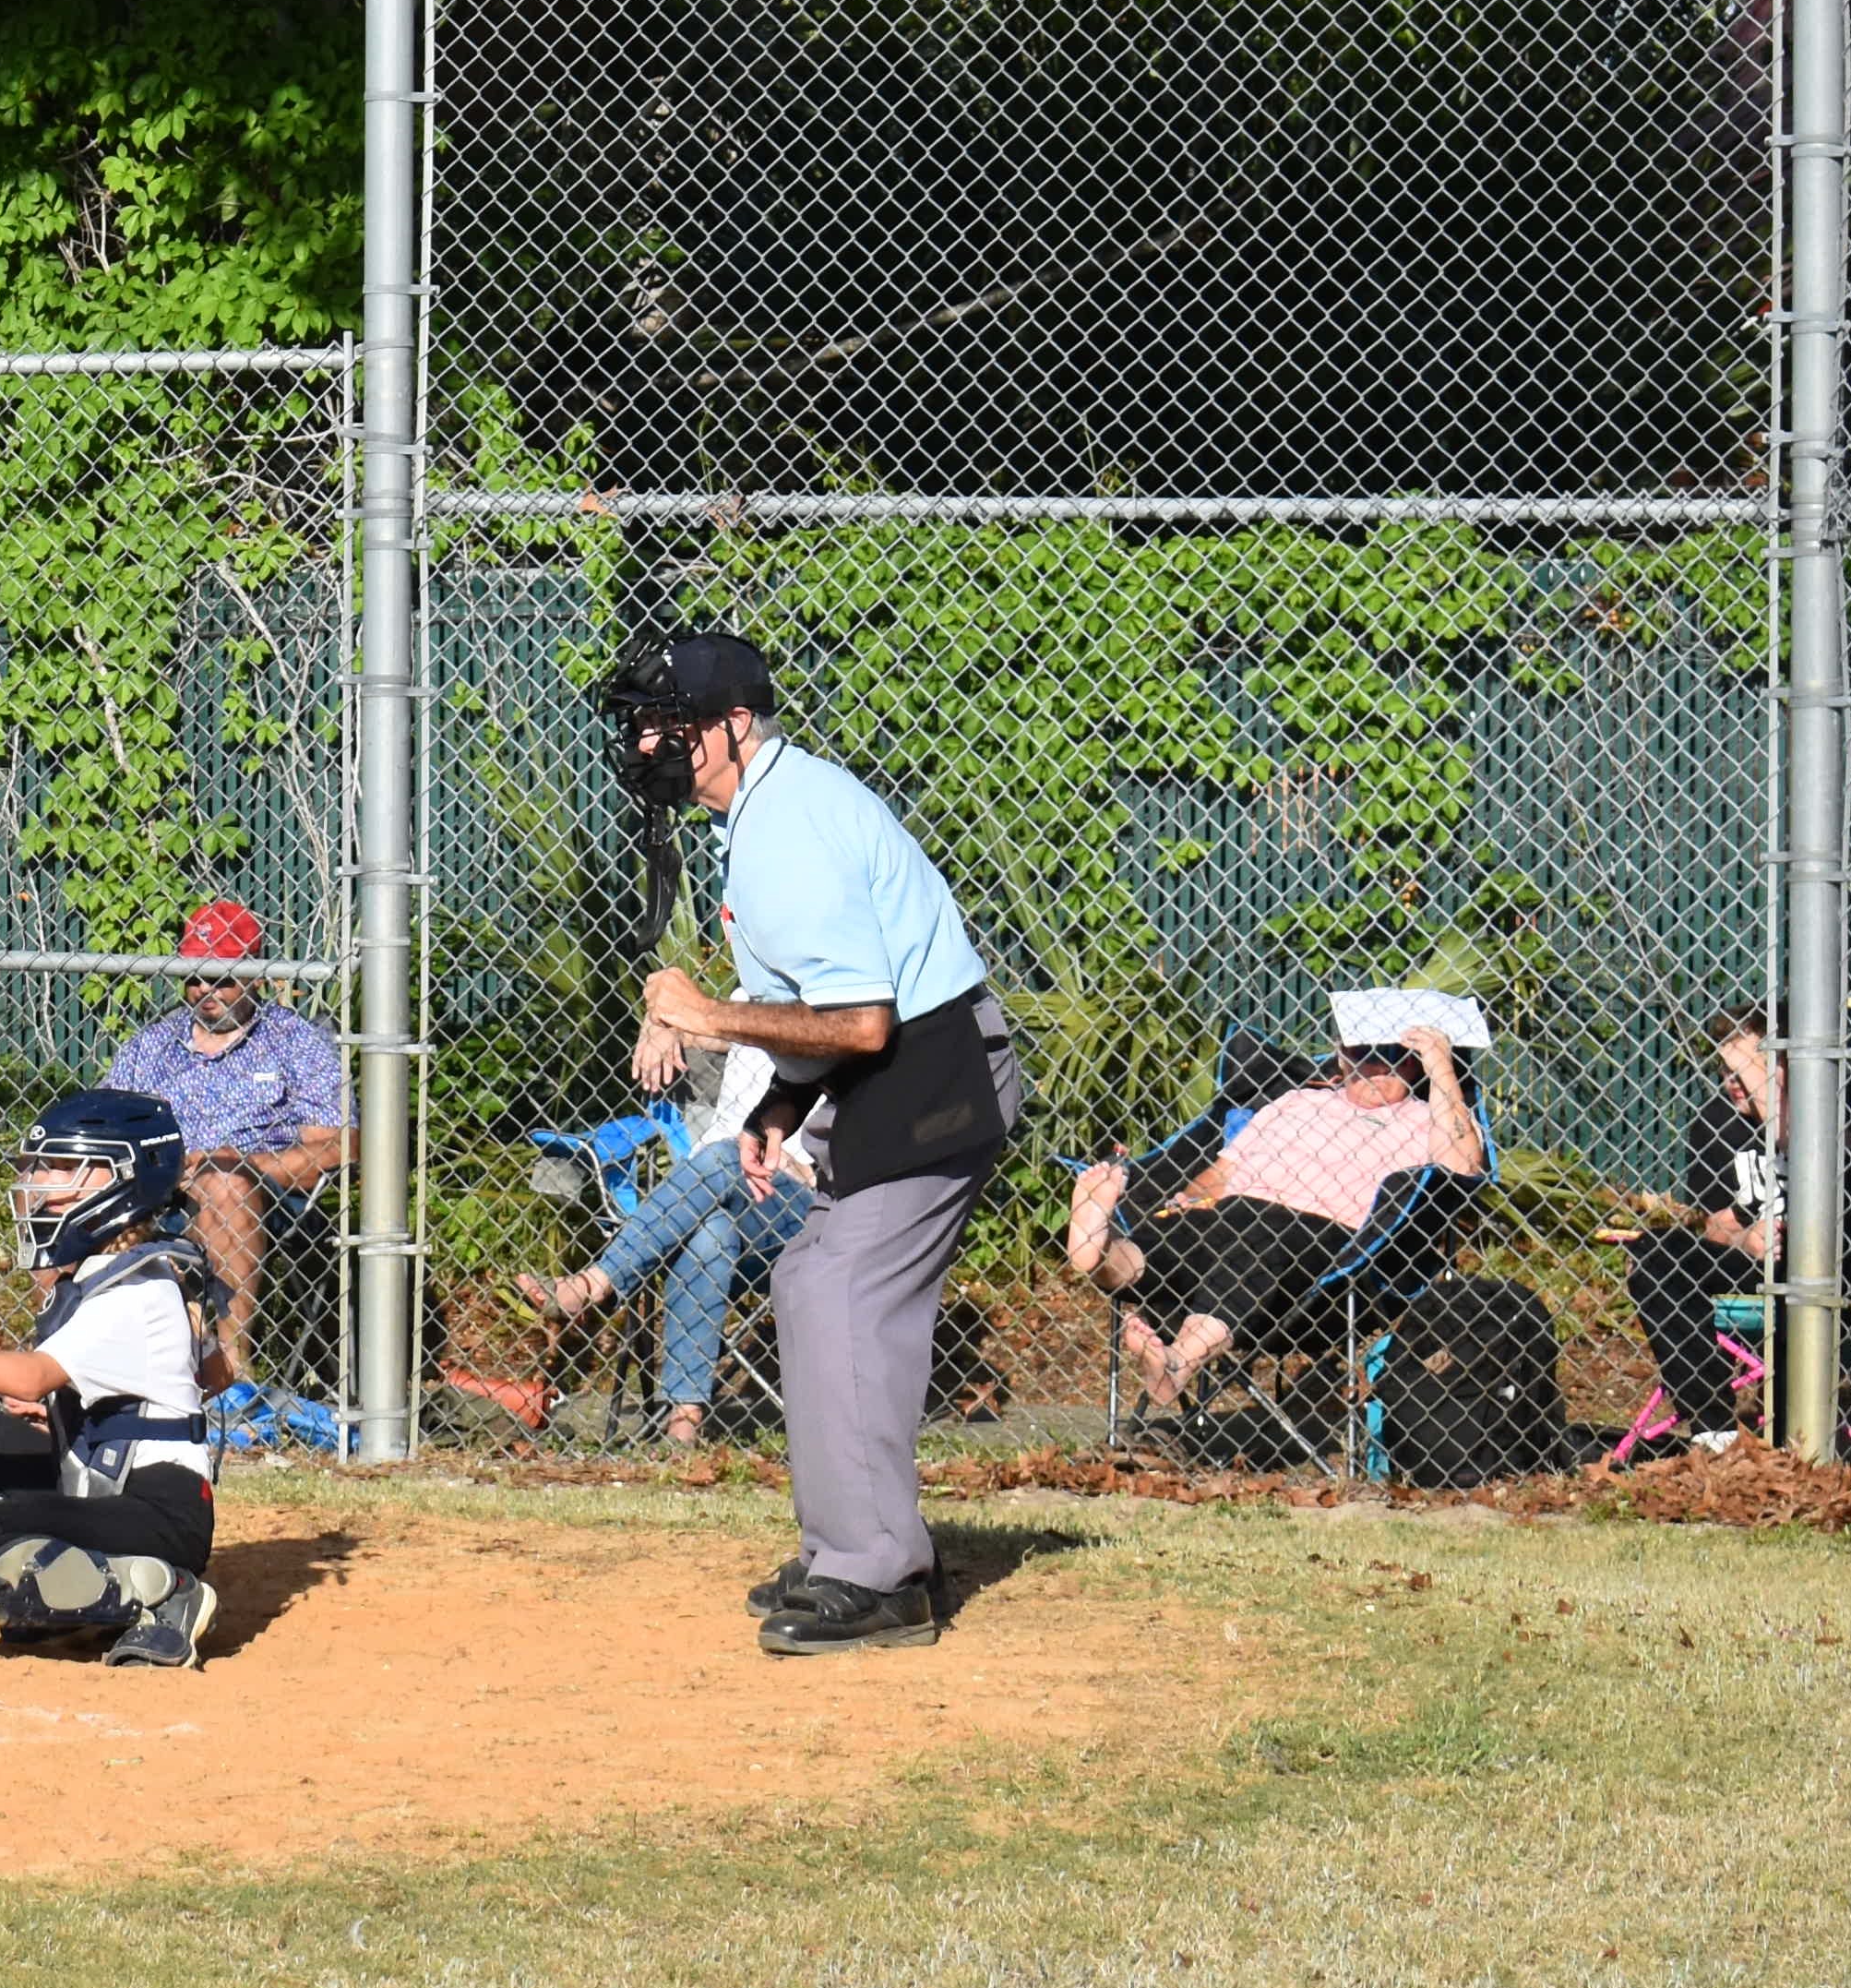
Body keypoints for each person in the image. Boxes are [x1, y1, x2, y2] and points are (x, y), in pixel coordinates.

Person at [606, 629, 1020, 1656]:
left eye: (674, 723)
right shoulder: (764, 813)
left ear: (736, 727)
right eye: (644, 722)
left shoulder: (786, 826)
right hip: (902, 1068)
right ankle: (857, 1543)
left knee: (841, 1292)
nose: (651, 740)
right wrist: (778, 1110)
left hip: (933, 1071)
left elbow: (865, 1019)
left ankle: (878, 1572)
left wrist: (707, 1015)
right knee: (811, 1282)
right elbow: (821, 1008)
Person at [0, 1085, 227, 1670]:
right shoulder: (124, 1271)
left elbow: (29, 1378)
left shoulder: (135, 1289)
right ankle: (57, 1587)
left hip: (159, 1510)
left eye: (64, 1169)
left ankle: (164, 1594)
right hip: (104, 1482)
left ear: (123, 1183)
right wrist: (83, 1409)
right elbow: (216, 1374)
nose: (40, 1183)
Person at [1061, 1025, 1487, 1418]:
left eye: (1392, 1054)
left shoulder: (1427, 1117)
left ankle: (1179, 1359)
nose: (1374, 1064)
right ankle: (1100, 1253)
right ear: (1340, 1055)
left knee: (1263, 1230)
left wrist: (1441, 1066)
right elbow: (1222, 1173)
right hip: (1231, 1221)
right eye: (1361, 1050)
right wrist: (1189, 1198)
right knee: (1184, 1227)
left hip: (1327, 1253)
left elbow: (1461, 1169)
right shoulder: (1295, 1101)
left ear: (1413, 1063)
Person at [95, 895, 344, 1439]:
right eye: (195, 978)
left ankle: (226, 1378)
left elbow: (334, 1147)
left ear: (255, 975)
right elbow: (105, 1125)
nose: (206, 992)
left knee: (225, 1184)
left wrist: (240, 1164)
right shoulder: (152, 1046)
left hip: (261, 1195)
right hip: (157, 1187)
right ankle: (70, 1368)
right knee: (59, 1181)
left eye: (223, 979)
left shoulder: (295, 1042)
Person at [1622, 1002, 1851, 1455]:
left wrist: (1772, 1102)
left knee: (1807, 1253)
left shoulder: (1844, 1106)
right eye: (1724, 1070)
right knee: (1655, 1253)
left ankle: (1796, 1434)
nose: (1730, 1083)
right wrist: (1746, 1238)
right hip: (1761, 1267)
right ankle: (1713, 1428)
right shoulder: (1715, 1122)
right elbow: (1715, 1226)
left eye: (1743, 1069)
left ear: (1784, 1064)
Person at [506, 1043, 818, 1447]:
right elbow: (708, 1021)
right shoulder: (754, 994)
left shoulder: (843, 1003)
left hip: (800, 1206)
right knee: (710, 1231)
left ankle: (593, 1284)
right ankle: (684, 1424)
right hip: (715, 1193)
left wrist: (812, 1170)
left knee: (723, 1156)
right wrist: (661, 1020)